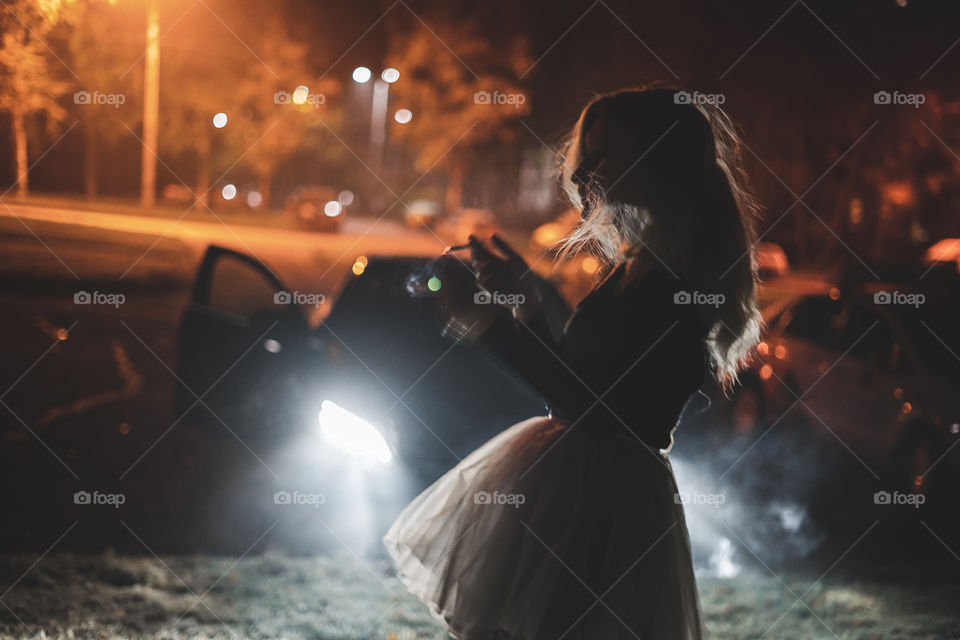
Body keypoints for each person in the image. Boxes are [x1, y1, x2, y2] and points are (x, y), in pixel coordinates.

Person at [384, 87, 762, 639]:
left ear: (656, 160)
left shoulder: (676, 289)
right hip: (578, 492)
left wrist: (488, 326)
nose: (588, 169)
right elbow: (580, 385)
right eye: (591, 153)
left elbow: (599, 409)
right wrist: (526, 307)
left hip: (606, 508)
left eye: (607, 153)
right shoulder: (637, 266)